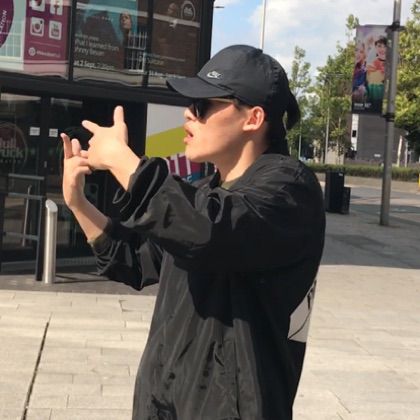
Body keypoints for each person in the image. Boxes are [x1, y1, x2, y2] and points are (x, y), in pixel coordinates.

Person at [61, 45, 326, 419]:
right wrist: (78, 203)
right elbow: (137, 258)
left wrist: (122, 160)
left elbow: (210, 231)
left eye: (202, 106)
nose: (188, 113)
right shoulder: (204, 192)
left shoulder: (288, 189)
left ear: (253, 118)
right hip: (164, 401)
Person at [366, 36, 387, 112]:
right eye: (379, 46)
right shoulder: (372, 64)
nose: (382, 49)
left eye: (385, 46)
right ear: (375, 47)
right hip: (375, 95)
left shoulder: (392, 63)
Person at [352, 40, 367, 106]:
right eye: (356, 50)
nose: (358, 54)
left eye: (361, 52)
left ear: (364, 54)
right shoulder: (353, 67)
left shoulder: (366, 68)